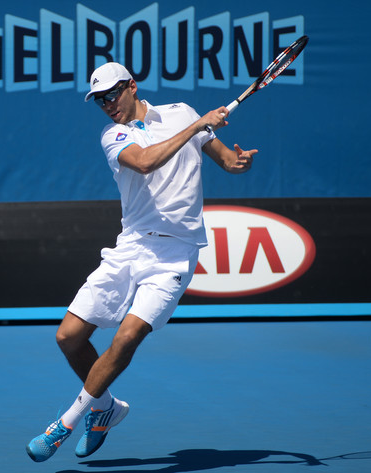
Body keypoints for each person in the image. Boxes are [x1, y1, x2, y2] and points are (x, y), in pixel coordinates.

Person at [26, 62, 258, 462]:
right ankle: (105, 409)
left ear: (132, 86)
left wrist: (239, 161)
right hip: (130, 247)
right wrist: (199, 125)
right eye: (99, 100)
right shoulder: (113, 135)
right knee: (68, 337)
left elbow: (226, 161)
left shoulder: (181, 113)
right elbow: (148, 161)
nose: (107, 105)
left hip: (176, 252)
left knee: (128, 336)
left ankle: (63, 423)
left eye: (112, 94)